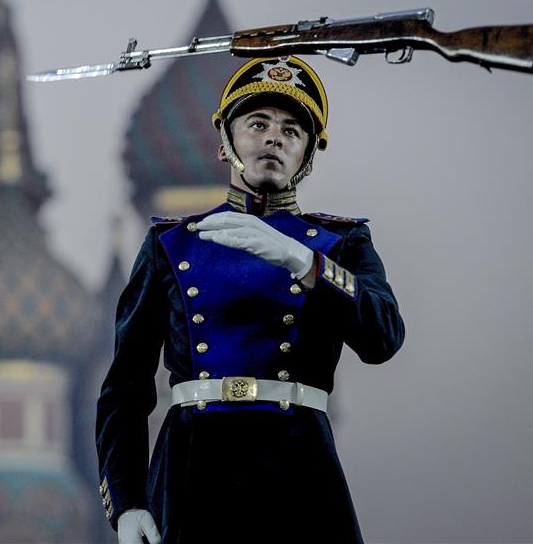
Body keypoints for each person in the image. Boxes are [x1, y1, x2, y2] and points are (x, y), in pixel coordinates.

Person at [95, 56, 405, 544]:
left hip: (299, 466)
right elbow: (125, 388)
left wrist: (306, 263)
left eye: (291, 130)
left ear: (307, 155)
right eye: (257, 123)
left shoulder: (340, 243)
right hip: (192, 467)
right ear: (225, 143)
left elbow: (384, 336)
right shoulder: (171, 244)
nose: (274, 137)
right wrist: (127, 502)